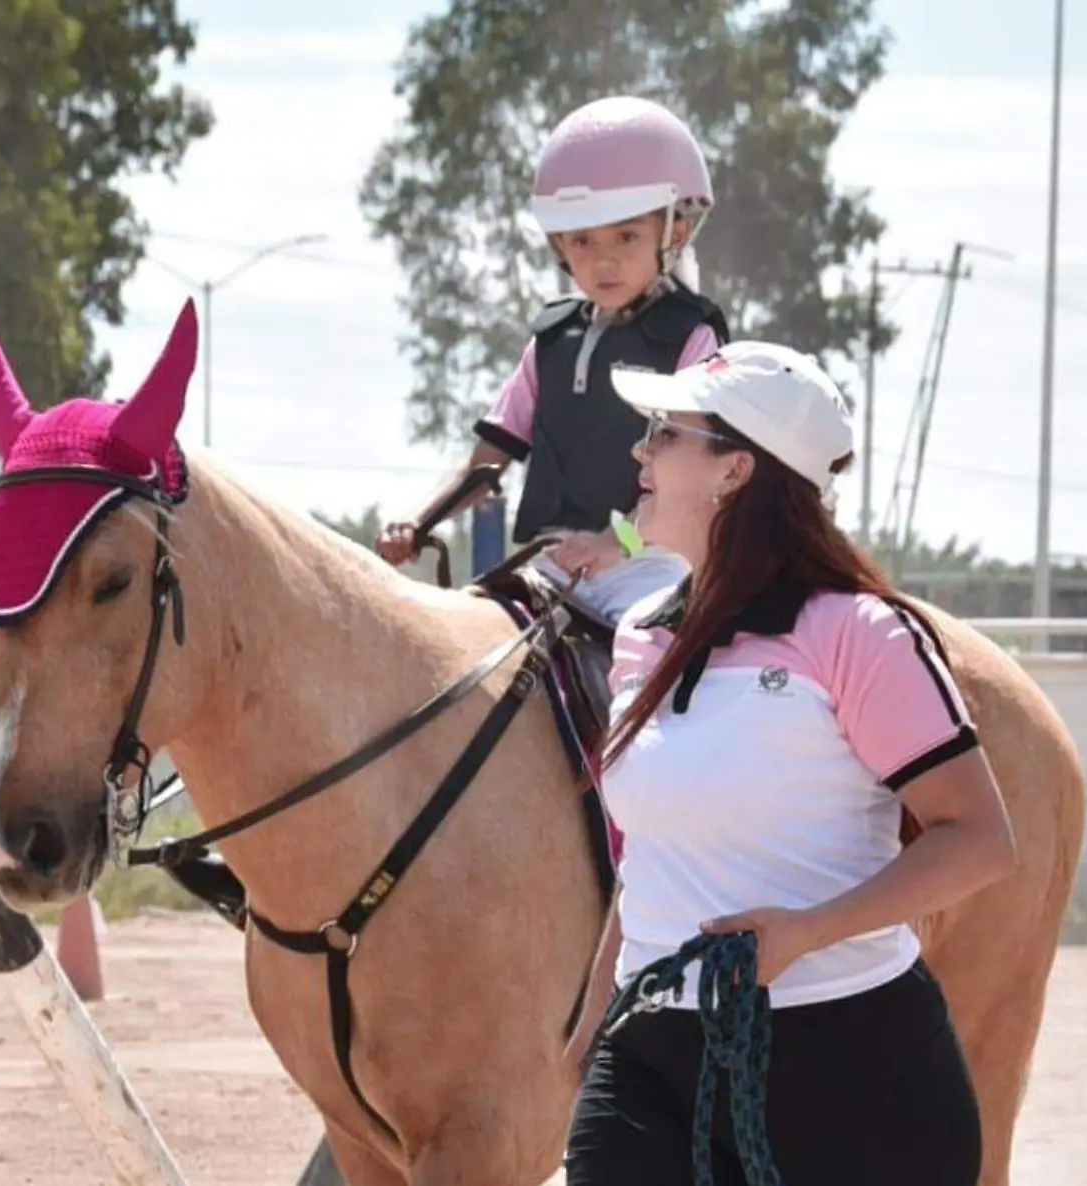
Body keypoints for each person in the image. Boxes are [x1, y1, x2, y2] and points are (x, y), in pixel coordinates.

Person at [563, 340, 1020, 1184]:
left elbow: (980, 839)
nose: (640, 453)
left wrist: (811, 931)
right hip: (650, 1060)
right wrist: (594, 1026)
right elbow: (650, 862)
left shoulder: (859, 634)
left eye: (664, 433)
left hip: (851, 1073)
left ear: (735, 470)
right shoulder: (641, 637)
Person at [375, 95, 732, 623]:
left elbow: (690, 482)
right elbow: (488, 460)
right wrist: (418, 519)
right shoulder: (552, 337)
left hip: (646, 568)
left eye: (627, 235)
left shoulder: (694, 337)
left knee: (650, 670)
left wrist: (615, 542)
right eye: (582, 240)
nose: (602, 259)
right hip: (544, 564)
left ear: (675, 232)